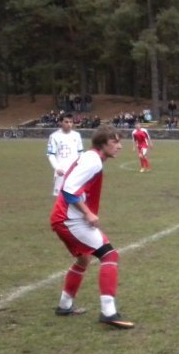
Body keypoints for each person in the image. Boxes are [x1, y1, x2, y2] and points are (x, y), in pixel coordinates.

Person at [50, 126, 134, 328]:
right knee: (110, 255)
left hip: (65, 218)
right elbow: (68, 190)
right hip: (69, 220)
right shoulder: (93, 160)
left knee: (83, 259)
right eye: (114, 142)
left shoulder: (92, 158)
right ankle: (108, 312)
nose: (119, 146)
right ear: (102, 144)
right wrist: (87, 212)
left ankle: (64, 305)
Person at [46, 113, 84, 196]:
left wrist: (81, 166)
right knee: (60, 197)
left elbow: (81, 153)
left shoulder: (77, 135)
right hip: (61, 171)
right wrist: (57, 168)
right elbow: (51, 154)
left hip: (75, 171)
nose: (69, 124)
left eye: (71, 122)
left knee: (76, 196)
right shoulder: (54, 136)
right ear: (60, 122)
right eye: (66, 122)